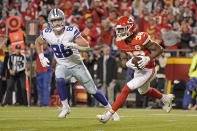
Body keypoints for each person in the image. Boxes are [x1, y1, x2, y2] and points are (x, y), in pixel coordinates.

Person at [35, 8, 119, 120]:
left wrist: (73, 45)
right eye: (55, 20)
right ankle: (65, 107)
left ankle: (111, 110)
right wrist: (41, 57)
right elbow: (38, 42)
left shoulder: (70, 30)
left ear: (63, 20)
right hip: (62, 65)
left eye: (59, 19)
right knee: (59, 79)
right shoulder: (47, 33)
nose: (57, 22)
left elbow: (86, 46)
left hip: (77, 65)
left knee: (92, 90)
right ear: (51, 22)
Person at [97, 16, 174, 123]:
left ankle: (108, 115)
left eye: (122, 29)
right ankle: (165, 98)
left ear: (130, 28)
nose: (119, 32)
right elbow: (123, 57)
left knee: (126, 89)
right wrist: (127, 63)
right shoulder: (120, 41)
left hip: (149, 69)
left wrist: (148, 58)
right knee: (143, 91)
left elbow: (159, 49)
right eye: (118, 30)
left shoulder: (141, 37)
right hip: (138, 70)